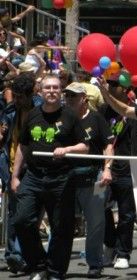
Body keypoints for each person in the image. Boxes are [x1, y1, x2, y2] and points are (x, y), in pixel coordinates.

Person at [11, 74, 89, 280]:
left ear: (60, 92)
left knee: (61, 227)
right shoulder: (33, 115)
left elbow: (85, 146)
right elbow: (23, 145)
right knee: (22, 221)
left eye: (56, 88)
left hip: (61, 177)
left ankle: (55, 271)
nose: (52, 91)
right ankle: (39, 265)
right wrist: (15, 176)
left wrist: (68, 149)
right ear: (41, 91)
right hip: (34, 176)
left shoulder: (70, 116)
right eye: (48, 88)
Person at [63, 82, 114, 278]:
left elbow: (108, 146)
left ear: (84, 98)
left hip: (94, 177)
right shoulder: (62, 118)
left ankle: (95, 263)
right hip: (66, 178)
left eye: (73, 96)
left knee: (96, 223)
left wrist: (107, 169)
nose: (69, 100)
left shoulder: (96, 118)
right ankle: (55, 264)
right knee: (60, 223)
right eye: (67, 96)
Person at [98, 79, 137, 270]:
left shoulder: (136, 111)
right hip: (106, 167)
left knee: (126, 214)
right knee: (101, 208)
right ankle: (110, 244)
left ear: (126, 89)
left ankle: (123, 253)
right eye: (109, 85)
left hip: (128, 168)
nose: (110, 88)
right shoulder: (103, 110)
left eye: (114, 85)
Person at [0, 72, 39, 274]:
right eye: (15, 96)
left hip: (33, 168)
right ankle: (15, 256)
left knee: (28, 215)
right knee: (14, 212)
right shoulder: (10, 110)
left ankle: (29, 256)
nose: (18, 100)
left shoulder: (41, 109)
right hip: (11, 164)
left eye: (21, 96)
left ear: (31, 94)